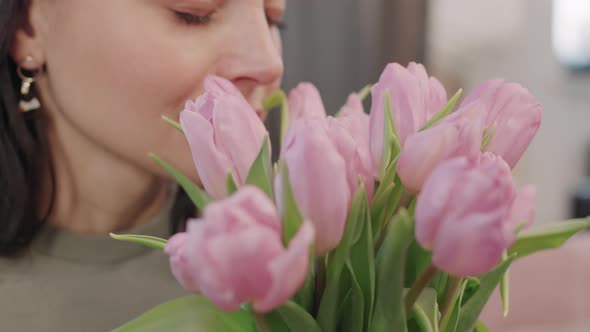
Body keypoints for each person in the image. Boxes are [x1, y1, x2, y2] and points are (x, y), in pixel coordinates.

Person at [0, 0, 285, 330]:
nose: (269, 63)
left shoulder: (302, 282)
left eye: (272, 20)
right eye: (193, 15)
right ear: (28, 26)